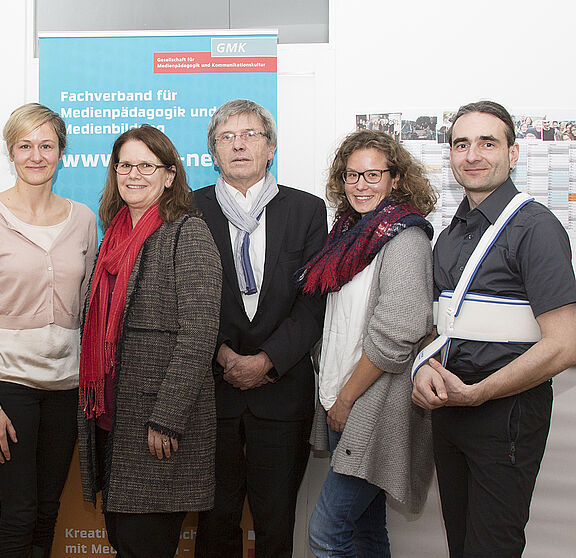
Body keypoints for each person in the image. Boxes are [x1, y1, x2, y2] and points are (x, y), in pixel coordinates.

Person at [412, 100, 576, 557]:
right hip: (450, 411)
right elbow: (442, 328)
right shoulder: (450, 235)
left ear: (513, 153)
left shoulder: (535, 228)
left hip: (504, 414)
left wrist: (480, 393)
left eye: (488, 142)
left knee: (492, 548)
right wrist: (424, 368)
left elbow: (566, 345)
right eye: (462, 144)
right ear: (450, 155)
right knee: (461, 545)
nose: (474, 155)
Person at [0, 103, 97, 557]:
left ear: (62, 154)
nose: (36, 156)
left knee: (46, 511)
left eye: (46, 146)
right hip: (9, 385)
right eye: (25, 146)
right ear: (11, 152)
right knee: (18, 512)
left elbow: (89, 310)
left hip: (66, 388)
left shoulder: (82, 219)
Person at [78, 125, 221, 558]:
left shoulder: (187, 233)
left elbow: (199, 334)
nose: (134, 174)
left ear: (170, 175)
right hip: (113, 421)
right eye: (125, 165)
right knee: (123, 543)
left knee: (145, 547)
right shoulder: (113, 236)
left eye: (146, 165)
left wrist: (168, 417)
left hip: (157, 428)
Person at [193, 99, 327, 558]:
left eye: (250, 134)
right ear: (213, 152)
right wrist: (222, 353)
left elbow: (313, 303)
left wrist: (267, 359)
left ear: (270, 148)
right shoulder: (190, 210)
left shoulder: (308, 210)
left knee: (275, 525)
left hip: (282, 390)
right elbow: (184, 300)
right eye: (226, 137)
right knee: (215, 523)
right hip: (212, 391)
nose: (239, 144)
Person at [297, 129, 436, 557]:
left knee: (327, 533)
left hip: (370, 405)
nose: (360, 185)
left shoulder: (405, 239)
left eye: (372, 174)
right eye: (351, 175)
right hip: (345, 396)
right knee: (366, 531)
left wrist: (346, 400)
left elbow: (397, 333)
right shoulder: (349, 235)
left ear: (395, 179)